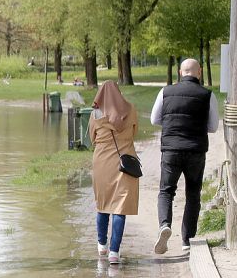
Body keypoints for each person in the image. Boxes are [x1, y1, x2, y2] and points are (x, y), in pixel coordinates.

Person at [151, 58, 220, 253]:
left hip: (171, 150)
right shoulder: (207, 95)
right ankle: (187, 240)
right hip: (196, 151)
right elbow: (214, 127)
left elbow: (155, 118)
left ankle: (165, 225)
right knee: (193, 194)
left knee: (166, 191)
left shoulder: (165, 92)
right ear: (199, 73)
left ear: (181, 73)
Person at [89, 81, 140, 265]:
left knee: (103, 203)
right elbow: (135, 133)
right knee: (120, 206)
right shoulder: (131, 109)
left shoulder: (95, 113)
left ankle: (101, 244)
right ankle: (114, 252)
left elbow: (92, 137)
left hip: (102, 161)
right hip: (124, 162)